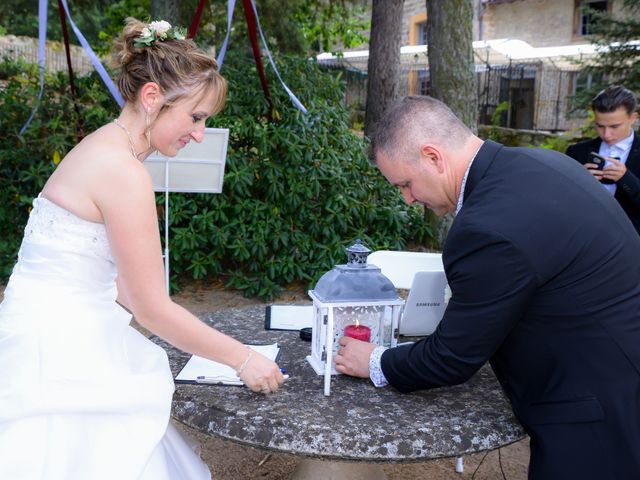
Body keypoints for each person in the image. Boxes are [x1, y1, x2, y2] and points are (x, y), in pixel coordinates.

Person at [0, 18, 284, 480]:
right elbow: (149, 308)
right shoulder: (125, 173)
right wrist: (243, 358)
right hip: (59, 351)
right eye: (195, 117)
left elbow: (122, 289)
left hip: (39, 334)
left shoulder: (102, 147)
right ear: (152, 98)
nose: (199, 134)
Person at [335, 96, 640, 479]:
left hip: (594, 413)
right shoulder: (541, 162)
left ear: (433, 157)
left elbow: (452, 358)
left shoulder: (485, 226)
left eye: (406, 184)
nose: (408, 199)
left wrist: (376, 361)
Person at [565, 84, 640, 235]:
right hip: (585, 236)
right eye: (600, 126)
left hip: (632, 241)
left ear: (633, 118)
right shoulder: (576, 152)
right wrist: (580, 180)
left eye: (614, 126)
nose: (606, 134)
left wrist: (626, 179)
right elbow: (561, 200)